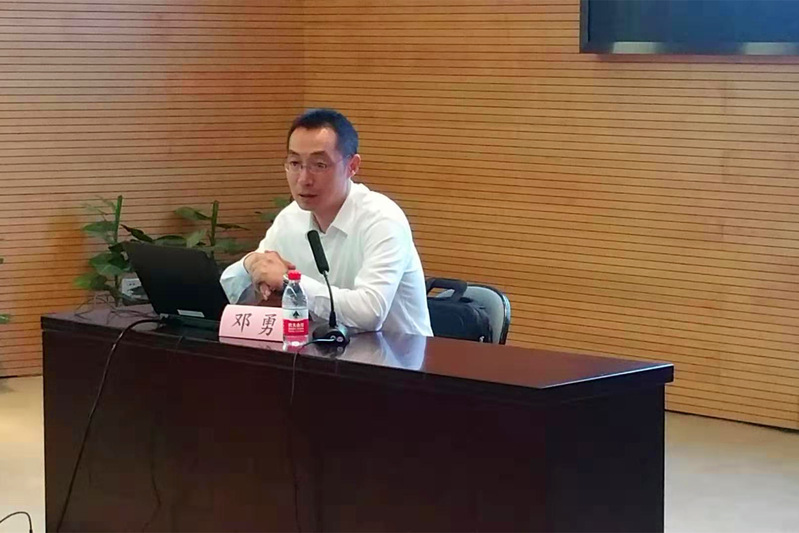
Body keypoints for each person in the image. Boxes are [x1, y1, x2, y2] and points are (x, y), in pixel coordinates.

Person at [221, 109, 432, 336]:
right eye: (295, 163)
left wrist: (290, 282)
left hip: (398, 354)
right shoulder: (291, 218)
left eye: (319, 165)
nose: (304, 179)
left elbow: (370, 312)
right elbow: (236, 284)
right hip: (323, 350)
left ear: (352, 166)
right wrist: (251, 264)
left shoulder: (383, 219)